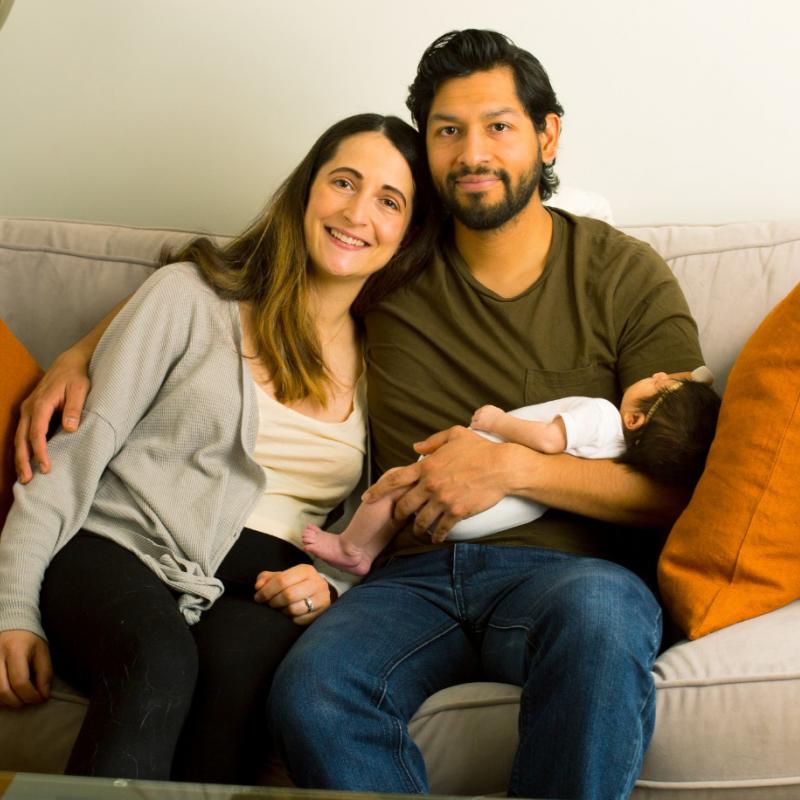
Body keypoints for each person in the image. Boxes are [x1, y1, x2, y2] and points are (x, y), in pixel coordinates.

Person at [13, 29, 706, 800]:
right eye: (448, 131)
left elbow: (681, 483)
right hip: (406, 580)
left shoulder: (624, 276)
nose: (473, 153)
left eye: (498, 126)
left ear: (548, 136)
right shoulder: (393, 259)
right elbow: (241, 274)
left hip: (569, 577)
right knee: (313, 690)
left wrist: (514, 467)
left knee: (604, 621)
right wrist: (82, 353)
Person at [0, 112, 434, 784]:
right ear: (306, 190)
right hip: (118, 551)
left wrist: (330, 584)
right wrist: (12, 606)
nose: (357, 213)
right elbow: (73, 457)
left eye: (389, 201)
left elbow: (369, 530)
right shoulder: (191, 297)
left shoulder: (388, 362)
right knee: (160, 658)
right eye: (343, 182)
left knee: (241, 676)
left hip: (257, 594)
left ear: (407, 233)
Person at [302, 369, 721, 574]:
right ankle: (365, 553)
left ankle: (352, 547)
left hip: (470, 490)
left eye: (660, 385)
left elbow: (548, 440)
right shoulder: (619, 458)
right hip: (501, 513)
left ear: (635, 420)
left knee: (394, 485)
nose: (658, 373)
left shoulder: (601, 415)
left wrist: (498, 422)